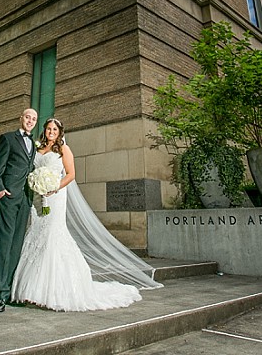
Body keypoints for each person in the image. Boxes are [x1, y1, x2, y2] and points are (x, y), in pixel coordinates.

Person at [11, 118, 162, 311]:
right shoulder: (38, 148)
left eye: (54, 129)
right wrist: (37, 185)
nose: (51, 132)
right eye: (48, 128)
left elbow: (71, 174)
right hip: (38, 197)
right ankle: (30, 290)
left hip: (56, 196)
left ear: (59, 132)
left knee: (52, 234)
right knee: (36, 232)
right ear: (45, 130)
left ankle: (50, 292)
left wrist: (54, 187)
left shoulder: (63, 149)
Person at [0, 108, 38, 312]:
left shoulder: (34, 145)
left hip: (26, 199)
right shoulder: (8, 139)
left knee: (17, 244)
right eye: (28, 117)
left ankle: (8, 290)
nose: (30, 121)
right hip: (9, 197)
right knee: (5, 242)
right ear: (21, 118)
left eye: (34, 119)